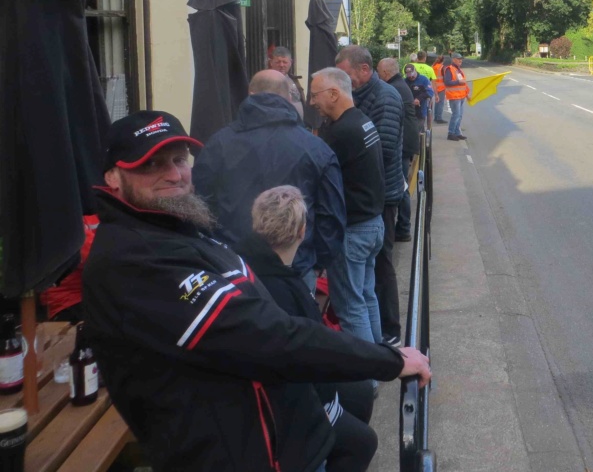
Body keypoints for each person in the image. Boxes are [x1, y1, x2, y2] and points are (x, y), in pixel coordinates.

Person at [82, 110, 430, 472]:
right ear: (113, 177)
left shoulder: (175, 226)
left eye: (178, 160)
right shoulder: (134, 260)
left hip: (281, 436)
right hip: (245, 454)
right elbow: (269, 336)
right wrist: (389, 360)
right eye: (151, 164)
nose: (173, 174)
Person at [237, 186, 378, 472]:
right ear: (302, 231)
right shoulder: (284, 288)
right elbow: (306, 353)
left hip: (288, 382)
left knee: (361, 391)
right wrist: (326, 409)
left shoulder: (248, 264)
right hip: (290, 400)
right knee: (363, 442)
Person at [192, 70, 346, 299]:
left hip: (236, 269)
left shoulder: (217, 145)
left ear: (250, 94)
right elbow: (332, 217)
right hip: (295, 267)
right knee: (297, 330)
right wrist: (316, 262)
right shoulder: (316, 149)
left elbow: (201, 208)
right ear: (288, 97)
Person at [308, 68, 385, 345]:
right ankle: (382, 357)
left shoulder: (341, 133)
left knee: (350, 307)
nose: (311, 102)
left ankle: (368, 382)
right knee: (366, 296)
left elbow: (316, 176)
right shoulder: (362, 121)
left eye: (315, 95)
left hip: (352, 230)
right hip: (373, 224)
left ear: (333, 93)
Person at [334, 46, 404, 347]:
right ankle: (379, 334)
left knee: (382, 263)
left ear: (365, 70)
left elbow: (384, 150)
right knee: (370, 271)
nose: (345, 83)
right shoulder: (363, 95)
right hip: (372, 193)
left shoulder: (386, 97)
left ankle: (391, 329)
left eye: (347, 75)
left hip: (382, 195)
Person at [376, 58, 418, 244]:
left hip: (403, 143)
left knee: (400, 186)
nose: (377, 75)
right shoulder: (399, 85)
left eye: (378, 72)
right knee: (402, 186)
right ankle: (403, 227)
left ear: (385, 73)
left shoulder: (393, 89)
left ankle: (403, 228)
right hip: (407, 139)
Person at [443, 53, 470, 141]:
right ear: (453, 59)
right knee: (456, 115)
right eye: (458, 59)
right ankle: (451, 133)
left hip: (461, 96)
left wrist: (466, 94)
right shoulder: (449, 69)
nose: (460, 60)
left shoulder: (458, 70)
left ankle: (457, 133)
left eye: (461, 59)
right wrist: (458, 82)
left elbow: (463, 84)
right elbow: (447, 82)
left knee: (460, 115)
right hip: (454, 96)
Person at [404, 63, 434, 130]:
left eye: (412, 75)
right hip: (408, 109)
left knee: (417, 128)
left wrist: (419, 99)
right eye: (409, 76)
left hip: (420, 109)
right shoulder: (405, 81)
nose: (411, 77)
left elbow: (430, 92)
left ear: (415, 71)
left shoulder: (424, 80)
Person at [431, 54, 446, 124]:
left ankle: (436, 117)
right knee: (441, 103)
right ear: (443, 61)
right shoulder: (442, 67)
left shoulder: (433, 66)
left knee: (437, 102)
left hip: (434, 86)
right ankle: (439, 118)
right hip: (441, 87)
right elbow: (445, 78)